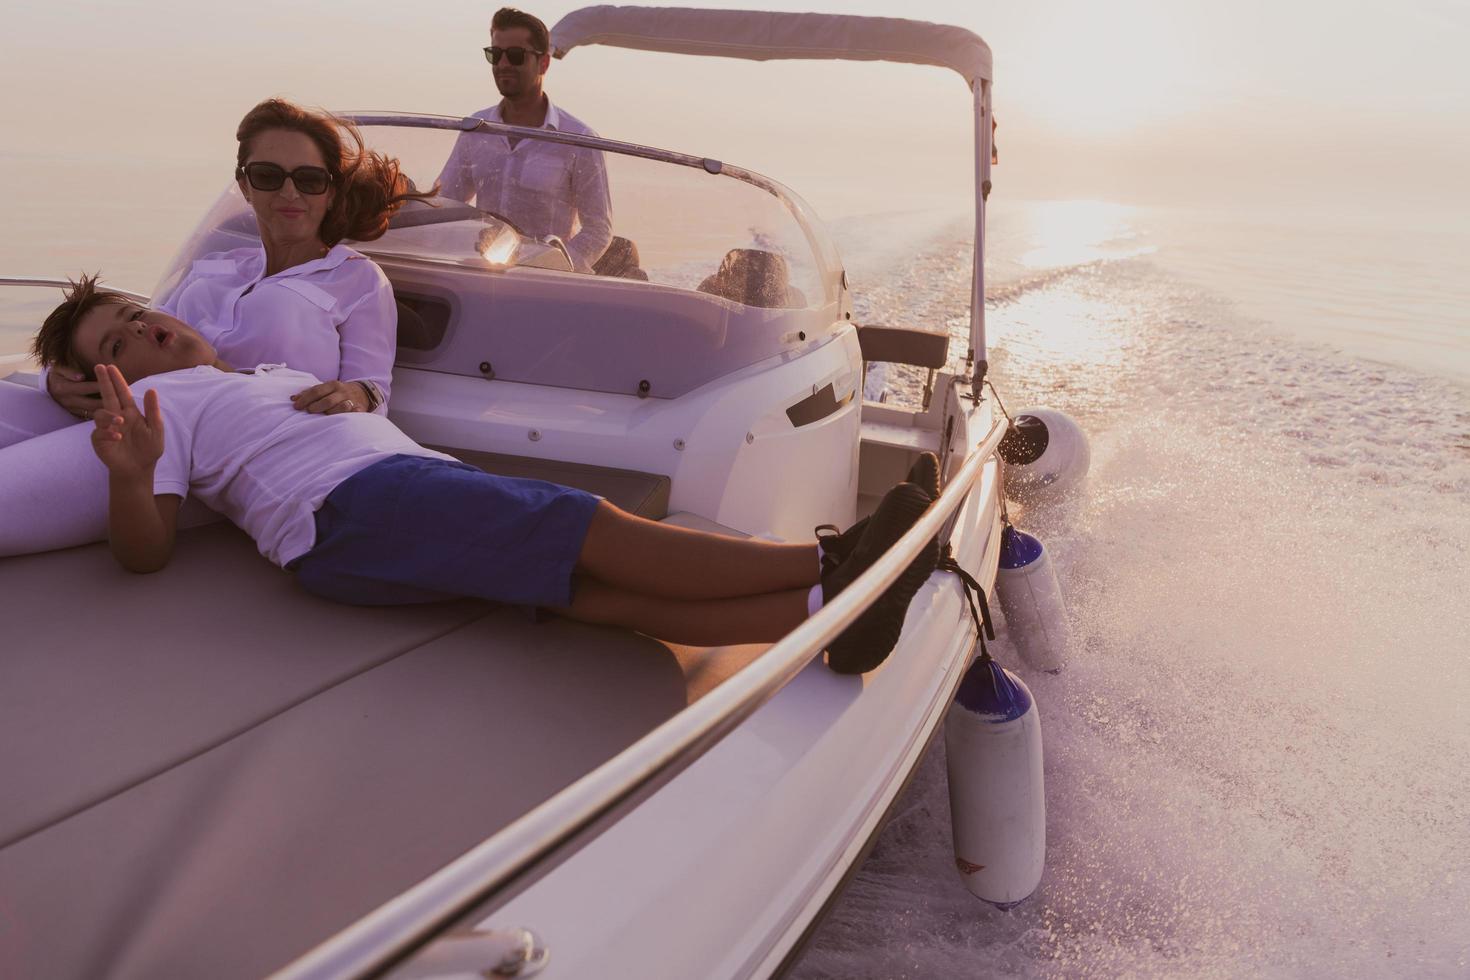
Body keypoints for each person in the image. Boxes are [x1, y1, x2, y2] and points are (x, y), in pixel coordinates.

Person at [35, 277, 938, 673]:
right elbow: (144, 553)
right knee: (590, 525)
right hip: (356, 508)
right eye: (117, 347)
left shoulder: (264, 375)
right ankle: (833, 565)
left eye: (140, 317)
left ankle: (823, 625)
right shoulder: (162, 414)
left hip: (376, 508)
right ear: (105, 382)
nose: (145, 335)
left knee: (593, 595)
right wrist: (127, 471)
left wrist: (355, 397)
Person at [39, 98, 426, 430]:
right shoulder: (212, 267)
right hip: (162, 425)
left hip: (256, 440)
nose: (289, 192)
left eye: (309, 179)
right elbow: (132, 335)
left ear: (330, 191)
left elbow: (374, 392)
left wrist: (356, 394)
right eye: (268, 176)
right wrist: (55, 380)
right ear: (244, 185)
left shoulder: (357, 278)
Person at [436, 7, 613, 273]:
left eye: (516, 56)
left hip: (546, 282)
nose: (504, 64)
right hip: (484, 273)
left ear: (544, 63)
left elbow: (599, 230)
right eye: (495, 55)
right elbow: (446, 203)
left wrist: (551, 266)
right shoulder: (477, 129)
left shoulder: (579, 139)